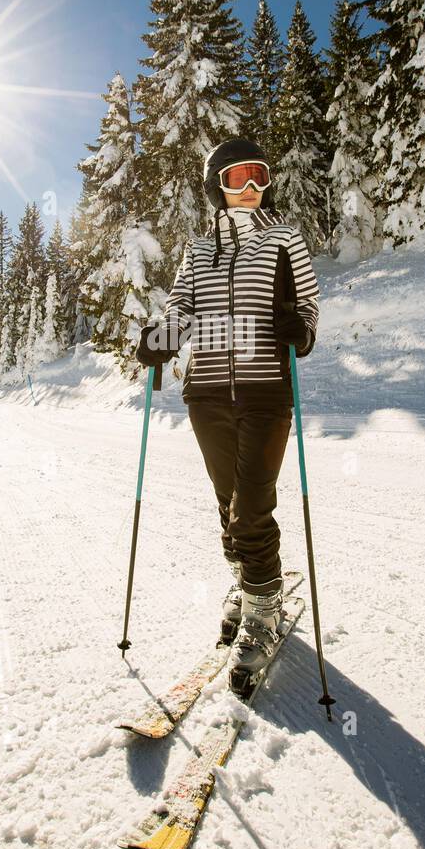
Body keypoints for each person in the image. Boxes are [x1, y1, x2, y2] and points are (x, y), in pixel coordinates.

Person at [136, 137, 320, 688]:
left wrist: (300, 332)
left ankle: (264, 610)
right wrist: (161, 338)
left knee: (253, 501)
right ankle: (246, 583)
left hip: (266, 390)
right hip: (208, 392)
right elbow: (181, 310)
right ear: (218, 183)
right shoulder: (197, 251)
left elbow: (307, 307)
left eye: (260, 176)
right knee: (228, 501)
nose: (251, 188)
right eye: (239, 177)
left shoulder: (285, 240)